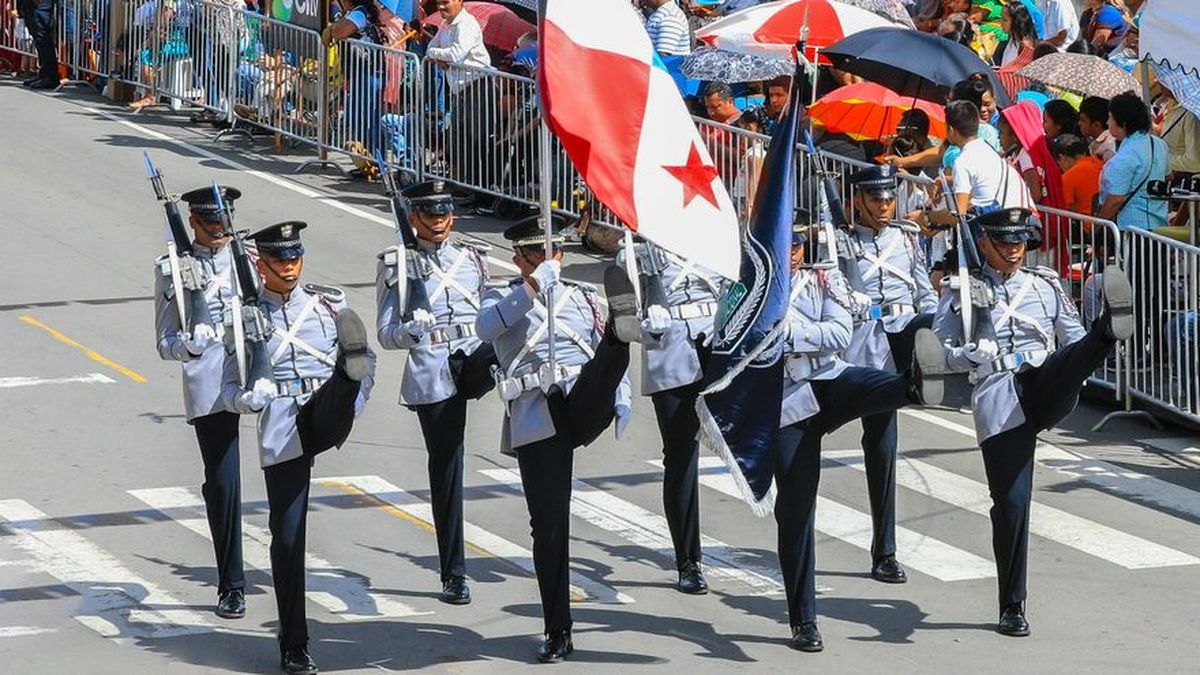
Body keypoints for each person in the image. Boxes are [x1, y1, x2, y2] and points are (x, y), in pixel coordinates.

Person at [917, 206, 1133, 637]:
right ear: (984, 243)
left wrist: (1086, 352)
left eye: (1019, 242)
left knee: (1064, 361)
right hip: (999, 394)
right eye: (1004, 242)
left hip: (1046, 384)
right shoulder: (961, 291)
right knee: (1012, 505)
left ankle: (1109, 330)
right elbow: (934, 355)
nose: (1014, 250)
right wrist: (965, 354)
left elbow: (1070, 340)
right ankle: (1011, 605)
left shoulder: (1046, 284)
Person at [475, 217, 634, 663]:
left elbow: (597, 361)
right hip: (537, 416)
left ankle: (622, 339)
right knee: (549, 526)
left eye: (555, 254)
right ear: (519, 260)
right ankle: (557, 628)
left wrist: (621, 399)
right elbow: (485, 328)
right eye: (538, 255)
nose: (550, 262)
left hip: (582, 401)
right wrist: (530, 291)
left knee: (611, 349)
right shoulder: (500, 298)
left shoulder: (583, 298)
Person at [221, 222, 376, 675]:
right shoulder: (244, 319)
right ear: (260, 264)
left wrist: (357, 399)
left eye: (294, 258)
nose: (289, 267)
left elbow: (371, 366)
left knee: (347, 375)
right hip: (283, 427)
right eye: (279, 260)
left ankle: (341, 388)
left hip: (325, 408)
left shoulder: (328, 306)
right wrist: (245, 399)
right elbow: (229, 385)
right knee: (287, 536)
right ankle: (294, 643)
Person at [773, 224, 930, 653]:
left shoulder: (824, 279)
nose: (789, 253)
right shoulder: (747, 289)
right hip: (785, 401)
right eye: (780, 243)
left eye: (795, 245)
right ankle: (803, 618)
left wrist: (790, 337)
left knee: (874, 386)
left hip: (828, 378)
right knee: (796, 509)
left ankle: (915, 385)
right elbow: (732, 339)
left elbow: (841, 333)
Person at [374, 180, 495, 605]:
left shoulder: (473, 257)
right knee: (447, 468)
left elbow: (492, 312)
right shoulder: (397, 265)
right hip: (434, 368)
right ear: (413, 219)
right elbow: (386, 333)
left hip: (475, 355)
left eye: (444, 213)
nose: (439, 221)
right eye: (430, 215)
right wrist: (409, 332)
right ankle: (454, 571)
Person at [841, 165, 938, 585]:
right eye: (876, 198)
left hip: (898, 339)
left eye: (888, 199)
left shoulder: (906, 238)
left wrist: (935, 316)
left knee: (882, 446)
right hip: (856, 342)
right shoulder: (837, 241)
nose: (884, 206)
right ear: (857, 200)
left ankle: (885, 550)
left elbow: (923, 290)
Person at [153, 186, 247, 621]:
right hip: (211, 380)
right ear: (194, 222)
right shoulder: (173, 268)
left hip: (260, 372)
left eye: (224, 223)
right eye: (211, 225)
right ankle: (232, 584)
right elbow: (164, 340)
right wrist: (187, 348)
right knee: (225, 483)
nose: (220, 232)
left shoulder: (249, 256)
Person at [619, 239, 727, 595]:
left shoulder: (714, 238)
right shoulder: (635, 254)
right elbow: (623, 315)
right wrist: (645, 317)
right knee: (681, 457)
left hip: (720, 349)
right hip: (672, 357)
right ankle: (688, 560)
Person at [423, 0, 495, 187]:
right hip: (460, 90)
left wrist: (438, 56)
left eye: (445, 2)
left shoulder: (467, 24)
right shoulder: (446, 25)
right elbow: (430, 48)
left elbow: (456, 55)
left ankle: (480, 187)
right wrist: (439, 55)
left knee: (477, 140)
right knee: (459, 139)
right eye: (438, 3)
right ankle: (465, 184)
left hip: (477, 86)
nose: (440, 7)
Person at [1096, 91, 1168, 231]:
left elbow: (1115, 200)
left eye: (1110, 118)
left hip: (1134, 230)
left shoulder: (1124, 157)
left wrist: (1097, 227)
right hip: (1160, 228)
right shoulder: (1159, 144)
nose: (1107, 122)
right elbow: (1168, 176)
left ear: (1122, 124)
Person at [1052, 133, 1103, 217]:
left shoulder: (1068, 176)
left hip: (1085, 225)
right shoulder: (1100, 164)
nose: (1060, 168)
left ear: (1062, 157)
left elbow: (1062, 207)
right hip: (1106, 222)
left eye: (1058, 163)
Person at [15, 0, 59, 89]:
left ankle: (50, 76)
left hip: (40, 3)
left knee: (42, 34)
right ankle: (44, 73)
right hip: (30, 4)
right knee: (36, 33)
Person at [996, 1, 1038, 67]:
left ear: (1016, 21)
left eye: (1005, 20)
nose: (1001, 24)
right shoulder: (1012, 39)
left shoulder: (1025, 45)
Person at [1078, 95, 1116, 162]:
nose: (1079, 123)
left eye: (1082, 120)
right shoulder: (1095, 143)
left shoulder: (1109, 147)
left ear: (1096, 125)